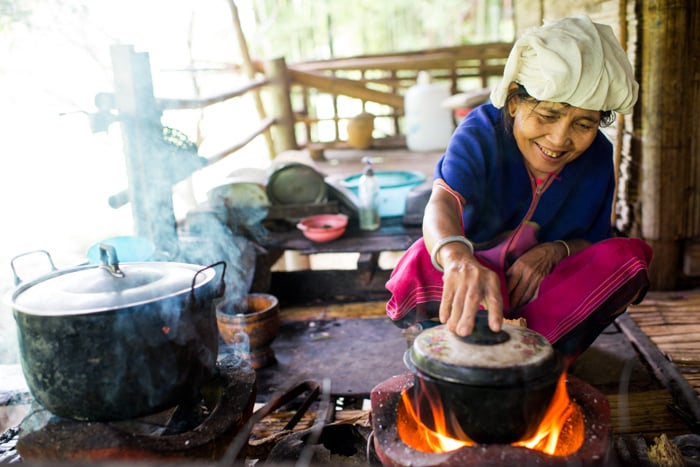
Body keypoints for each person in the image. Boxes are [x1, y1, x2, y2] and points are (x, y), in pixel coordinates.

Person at [386, 15, 653, 363]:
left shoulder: (598, 156)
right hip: (475, 282)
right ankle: (483, 345)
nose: (559, 139)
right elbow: (444, 202)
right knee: (424, 255)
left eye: (584, 124)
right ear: (514, 103)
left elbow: (592, 240)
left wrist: (554, 251)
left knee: (628, 258)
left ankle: (529, 352)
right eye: (547, 115)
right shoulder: (484, 130)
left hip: (544, 295)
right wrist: (458, 259)